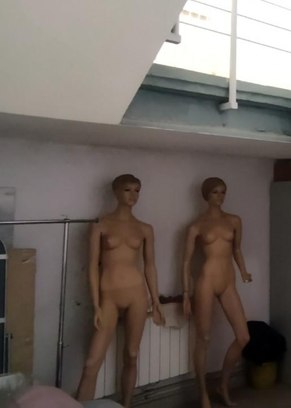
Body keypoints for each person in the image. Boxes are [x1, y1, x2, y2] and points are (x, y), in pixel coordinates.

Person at [76, 174, 164, 408]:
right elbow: (92, 266)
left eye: (137, 190)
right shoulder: (101, 225)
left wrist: (156, 300)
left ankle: (126, 404)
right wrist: (95, 304)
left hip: (137, 295)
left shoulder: (145, 228)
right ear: (115, 192)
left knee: (132, 355)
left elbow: (150, 266)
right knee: (92, 362)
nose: (133, 195)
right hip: (109, 297)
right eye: (127, 190)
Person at [183, 177, 251, 408]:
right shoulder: (196, 226)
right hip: (207, 281)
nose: (220, 196)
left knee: (243, 337)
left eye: (223, 192)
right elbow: (186, 262)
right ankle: (203, 393)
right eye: (215, 192)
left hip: (228, 281)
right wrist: (185, 293)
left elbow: (237, 249)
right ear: (206, 195)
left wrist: (243, 271)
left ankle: (223, 385)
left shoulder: (234, 220)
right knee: (203, 339)